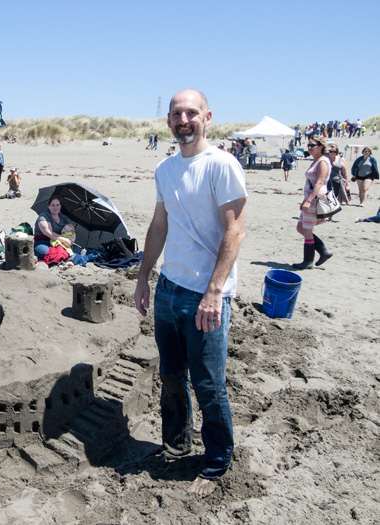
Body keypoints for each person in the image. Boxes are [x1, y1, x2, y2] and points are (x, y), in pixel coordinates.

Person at [133, 89, 247, 498]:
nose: (184, 120)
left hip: (205, 295)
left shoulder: (221, 165)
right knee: (171, 375)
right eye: (176, 113)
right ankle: (176, 443)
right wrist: (144, 276)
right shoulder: (165, 169)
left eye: (191, 113)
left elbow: (235, 230)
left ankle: (216, 463)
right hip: (168, 289)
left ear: (207, 117)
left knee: (209, 383)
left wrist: (214, 290)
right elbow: (159, 226)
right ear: (168, 121)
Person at [292, 136, 334, 269]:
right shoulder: (316, 161)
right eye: (308, 145)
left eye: (312, 145)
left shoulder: (323, 161)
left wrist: (309, 200)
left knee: (307, 229)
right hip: (310, 197)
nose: (309, 148)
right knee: (301, 228)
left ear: (320, 147)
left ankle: (308, 261)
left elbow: (320, 182)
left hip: (316, 199)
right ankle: (323, 251)